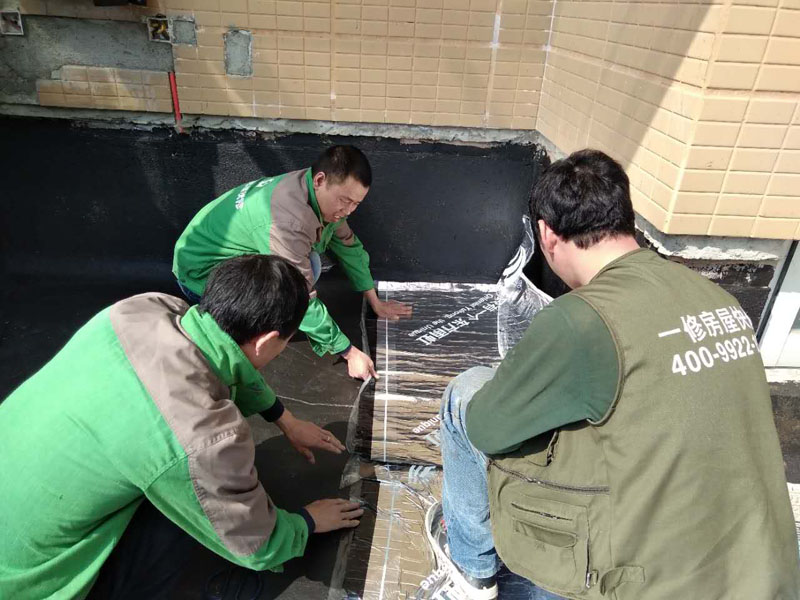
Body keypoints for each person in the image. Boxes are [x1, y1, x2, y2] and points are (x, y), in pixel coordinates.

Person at [426, 149, 800, 599]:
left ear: (546, 234)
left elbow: (487, 429)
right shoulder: (716, 298)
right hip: (762, 567)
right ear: (626, 218)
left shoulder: (581, 318)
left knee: (465, 395)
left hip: (649, 580)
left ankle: (471, 573)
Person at [0, 255, 365, 600]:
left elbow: (228, 359)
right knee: (186, 523)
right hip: (28, 579)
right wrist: (306, 522)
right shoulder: (202, 436)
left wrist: (282, 417)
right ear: (269, 340)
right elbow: (256, 545)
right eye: (286, 342)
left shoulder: (142, 309)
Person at [173, 144, 412, 381]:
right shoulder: (287, 221)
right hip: (200, 274)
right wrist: (349, 352)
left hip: (231, 258)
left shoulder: (316, 193)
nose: (348, 211)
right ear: (320, 180)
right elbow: (302, 295)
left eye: (356, 204)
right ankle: (225, 341)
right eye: (344, 200)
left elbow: (348, 245)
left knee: (311, 263)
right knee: (276, 305)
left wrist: (374, 300)